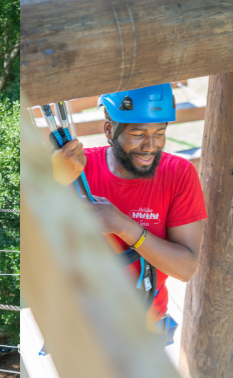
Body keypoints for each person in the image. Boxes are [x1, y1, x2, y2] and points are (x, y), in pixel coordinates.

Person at [45, 83, 207, 330]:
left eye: (159, 133)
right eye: (139, 134)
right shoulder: (76, 170)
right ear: (109, 130)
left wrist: (123, 225)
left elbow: (185, 269)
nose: (151, 145)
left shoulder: (178, 174)